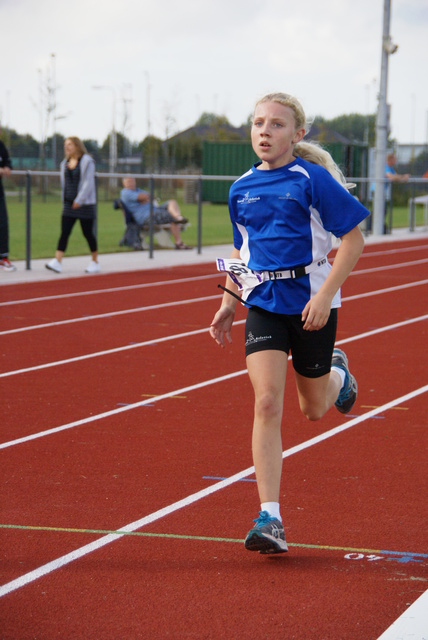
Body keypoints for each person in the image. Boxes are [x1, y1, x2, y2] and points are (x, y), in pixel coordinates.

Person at [210, 93, 370, 555]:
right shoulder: (240, 187)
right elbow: (244, 250)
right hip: (263, 302)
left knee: (314, 409)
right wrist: (228, 302)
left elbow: (354, 241)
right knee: (265, 403)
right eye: (258, 123)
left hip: (312, 303)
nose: (265, 131)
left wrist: (324, 296)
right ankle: (271, 517)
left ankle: (337, 374)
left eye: (277, 125)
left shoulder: (312, 180)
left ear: (296, 135)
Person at [46, 137, 99, 274]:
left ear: (77, 145)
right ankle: (57, 261)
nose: (67, 147)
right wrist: (67, 200)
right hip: (69, 204)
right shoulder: (64, 163)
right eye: (65, 145)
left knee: (87, 233)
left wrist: (79, 200)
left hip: (84, 205)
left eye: (69, 144)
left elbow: (88, 184)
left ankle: (95, 261)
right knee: (65, 232)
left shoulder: (87, 161)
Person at [120, 177, 191, 250]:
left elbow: (150, 197)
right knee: (171, 217)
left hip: (155, 211)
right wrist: (144, 198)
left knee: (172, 202)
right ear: (124, 184)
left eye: (132, 181)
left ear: (135, 182)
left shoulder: (139, 190)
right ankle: (178, 243)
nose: (130, 184)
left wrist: (145, 199)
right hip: (145, 216)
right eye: (128, 182)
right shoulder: (125, 192)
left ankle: (178, 217)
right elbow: (143, 197)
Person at [0, 132, 16, 272]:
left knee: (3, 223)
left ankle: (3, 258)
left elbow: (7, 160)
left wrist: (7, 167)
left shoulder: (1, 145)